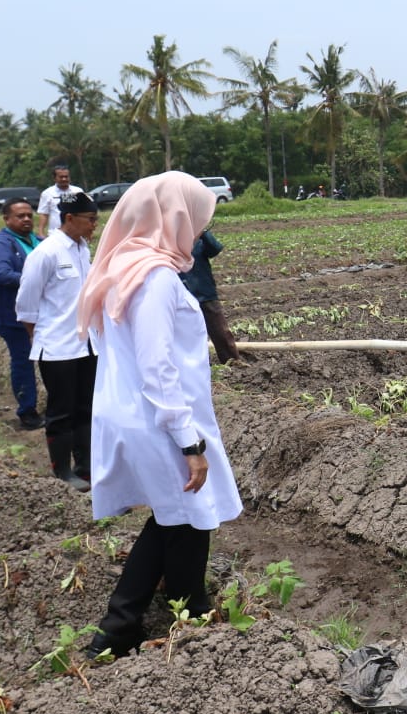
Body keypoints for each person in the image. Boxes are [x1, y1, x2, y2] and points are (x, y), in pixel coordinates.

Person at [78, 171, 243, 658]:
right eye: (194, 220)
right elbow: (158, 367)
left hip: (132, 413)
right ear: (173, 217)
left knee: (177, 518)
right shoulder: (154, 279)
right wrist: (189, 442)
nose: (196, 232)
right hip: (159, 417)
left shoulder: (120, 267)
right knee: (191, 514)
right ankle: (177, 618)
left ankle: (129, 625)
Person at [15, 193, 99, 491]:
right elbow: (26, 304)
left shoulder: (83, 249)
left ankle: (86, 466)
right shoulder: (47, 252)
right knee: (61, 412)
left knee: (86, 407)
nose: (94, 226)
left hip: (87, 344)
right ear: (69, 219)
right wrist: (38, 335)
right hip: (57, 348)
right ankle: (62, 471)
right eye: (90, 220)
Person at [0, 198, 44, 429]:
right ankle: (27, 412)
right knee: (23, 361)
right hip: (13, 316)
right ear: (7, 219)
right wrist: (35, 281)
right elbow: (0, 274)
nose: (27, 219)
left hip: (39, 313)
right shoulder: (2, 243)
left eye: (29, 215)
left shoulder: (37, 240)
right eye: (20, 216)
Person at [179, 229, 241, 363]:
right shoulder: (165, 236)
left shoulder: (197, 233)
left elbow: (214, 249)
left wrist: (202, 231)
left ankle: (233, 362)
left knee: (220, 332)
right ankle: (194, 365)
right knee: (188, 334)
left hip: (204, 290)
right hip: (181, 294)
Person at [36, 164, 85, 238]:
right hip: (55, 234)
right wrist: (41, 232)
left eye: (66, 176)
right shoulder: (47, 193)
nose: (64, 179)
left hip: (76, 233)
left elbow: (84, 212)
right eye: (61, 177)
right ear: (54, 178)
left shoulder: (78, 191)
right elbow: (44, 214)